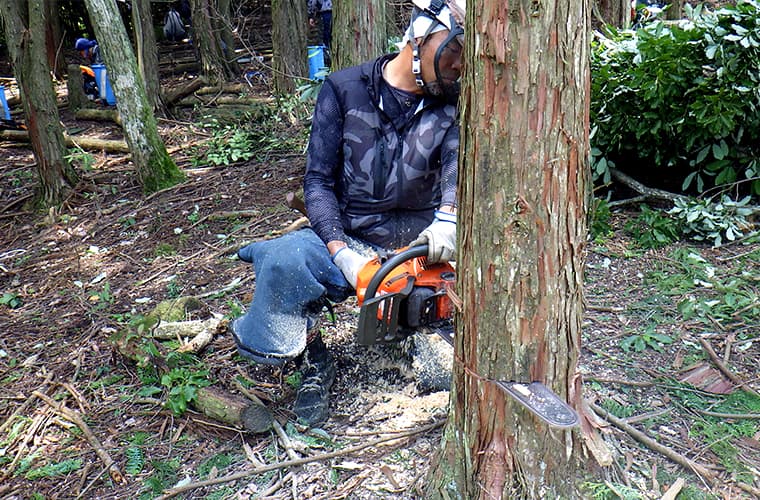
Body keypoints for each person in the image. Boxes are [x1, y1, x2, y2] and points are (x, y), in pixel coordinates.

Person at [232, 0, 465, 426]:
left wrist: (448, 217)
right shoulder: (345, 89)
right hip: (355, 234)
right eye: (454, 49)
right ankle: (311, 354)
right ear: (420, 37)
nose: (459, 64)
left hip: (424, 242)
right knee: (285, 260)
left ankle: (420, 334)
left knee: (446, 366)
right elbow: (317, 182)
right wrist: (341, 251)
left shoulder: (453, 103)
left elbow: (454, 164)